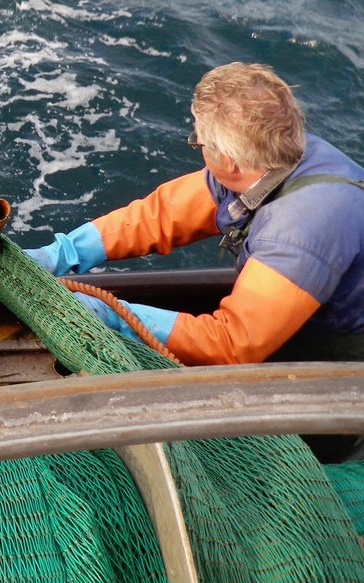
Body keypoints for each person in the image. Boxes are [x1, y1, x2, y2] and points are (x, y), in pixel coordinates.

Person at [27, 62, 364, 369]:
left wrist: (117, 318)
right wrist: (63, 253)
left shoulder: (296, 237)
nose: (198, 149)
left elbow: (234, 345)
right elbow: (161, 216)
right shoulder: (272, 155)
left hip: (342, 354)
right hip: (301, 316)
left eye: (198, 142)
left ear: (229, 160)